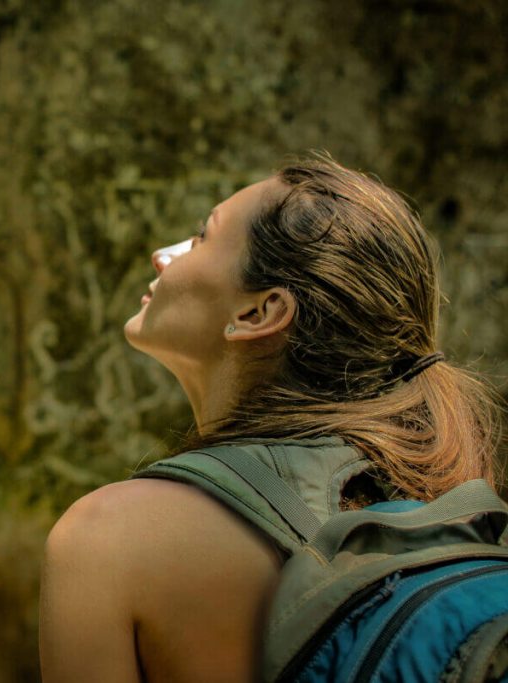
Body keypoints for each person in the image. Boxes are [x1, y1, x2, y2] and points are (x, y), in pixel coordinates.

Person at [38, 154, 504, 682]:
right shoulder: (446, 510)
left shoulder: (110, 537)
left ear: (257, 313)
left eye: (200, 238)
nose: (160, 255)